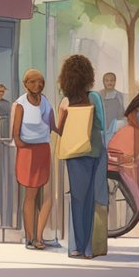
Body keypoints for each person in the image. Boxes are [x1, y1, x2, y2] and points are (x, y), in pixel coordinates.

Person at [53, 55, 108, 259]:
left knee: (77, 198)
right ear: (88, 76)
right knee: (91, 199)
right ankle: (88, 248)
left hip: (73, 153)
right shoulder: (93, 97)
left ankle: (74, 247)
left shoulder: (65, 100)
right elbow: (101, 124)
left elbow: (60, 129)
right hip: (92, 151)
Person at [11, 69, 54, 251]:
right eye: (33, 82)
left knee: (47, 196)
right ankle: (30, 237)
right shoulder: (20, 104)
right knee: (30, 195)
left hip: (43, 150)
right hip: (27, 152)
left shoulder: (45, 102)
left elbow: (52, 125)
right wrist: (24, 146)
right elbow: (16, 132)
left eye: (40, 82)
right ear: (26, 83)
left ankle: (39, 235)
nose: (38, 85)